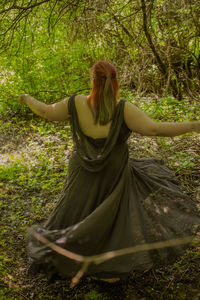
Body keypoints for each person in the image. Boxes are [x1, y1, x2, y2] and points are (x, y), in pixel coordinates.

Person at [19, 61, 200, 283]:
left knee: (76, 208)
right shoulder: (124, 109)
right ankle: (107, 268)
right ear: (115, 83)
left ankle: (60, 253)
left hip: (82, 168)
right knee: (110, 216)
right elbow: (155, 129)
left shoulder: (75, 103)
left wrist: (27, 98)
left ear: (92, 81)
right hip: (113, 171)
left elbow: (47, 112)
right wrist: (193, 125)